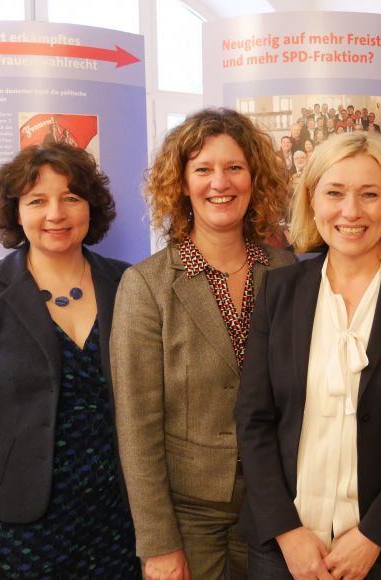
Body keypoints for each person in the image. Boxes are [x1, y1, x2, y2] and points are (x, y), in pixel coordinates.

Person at [236, 132, 381, 580]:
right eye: (334, 193)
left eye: (369, 194)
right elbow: (253, 419)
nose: (351, 211)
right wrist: (287, 531)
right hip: (285, 550)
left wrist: (373, 536)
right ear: (311, 200)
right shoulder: (279, 291)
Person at [0, 143, 139, 579]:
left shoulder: (127, 282)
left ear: (91, 206)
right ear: (16, 211)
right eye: (37, 201)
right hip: (19, 526)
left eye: (71, 197)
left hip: (118, 519)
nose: (55, 214)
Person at [111, 108, 295, 580]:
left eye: (234, 167)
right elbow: (136, 426)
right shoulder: (147, 285)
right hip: (189, 514)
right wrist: (158, 544)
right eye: (203, 169)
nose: (220, 183)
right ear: (181, 184)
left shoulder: (287, 272)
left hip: (280, 505)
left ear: (255, 179)